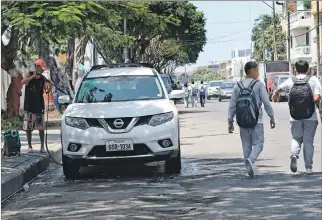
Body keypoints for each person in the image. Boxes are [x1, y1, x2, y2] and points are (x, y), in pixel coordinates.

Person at [272, 60, 321, 175]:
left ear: (295, 69)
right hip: (311, 116)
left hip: (295, 116)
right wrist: (318, 107)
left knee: (296, 138)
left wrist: (275, 94)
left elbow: (279, 89)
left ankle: (294, 155)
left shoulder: (291, 80)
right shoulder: (313, 80)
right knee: (308, 141)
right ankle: (308, 168)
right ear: (308, 69)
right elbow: (316, 98)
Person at [228, 61, 275, 178]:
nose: (258, 73)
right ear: (252, 71)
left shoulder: (237, 86)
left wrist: (230, 121)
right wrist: (271, 116)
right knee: (259, 144)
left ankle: (247, 168)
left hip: (242, 121)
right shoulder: (258, 85)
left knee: (246, 145)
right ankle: (251, 160)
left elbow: (232, 105)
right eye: (257, 71)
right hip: (256, 120)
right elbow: (266, 102)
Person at [22, 59, 51, 153]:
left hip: (39, 105)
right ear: (37, 67)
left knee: (41, 127)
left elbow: (46, 90)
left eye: (43, 69)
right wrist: (34, 76)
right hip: (29, 105)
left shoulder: (43, 78)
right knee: (28, 127)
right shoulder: (29, 74)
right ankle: (30, 146)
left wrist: (48, 87)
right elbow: (23, 82)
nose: (42, 70)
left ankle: (42, 146)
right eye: (41, 68)